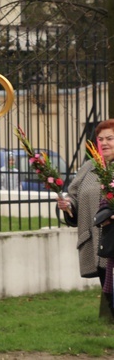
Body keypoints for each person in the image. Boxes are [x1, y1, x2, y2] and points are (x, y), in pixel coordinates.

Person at [58, 119, 114, 320]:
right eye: (100, 139)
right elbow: (73, 196)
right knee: (110, 295)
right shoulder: (89, 167)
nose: (104, 143)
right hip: (99, 246)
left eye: (110, 138)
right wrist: (68, 205)